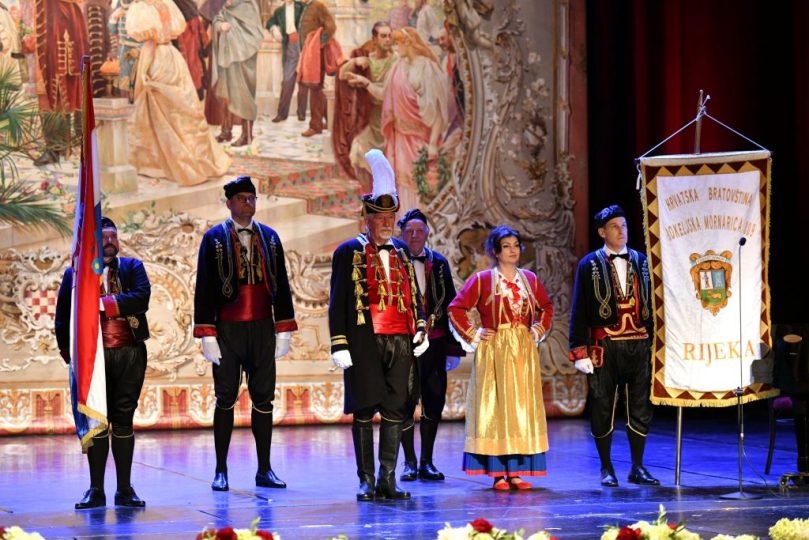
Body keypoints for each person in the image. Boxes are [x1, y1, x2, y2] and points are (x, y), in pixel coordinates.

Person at [328, 149, 430, 501]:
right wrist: (339, 343)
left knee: (395, 407)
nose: (387, 223)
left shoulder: (401, 250)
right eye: (380, 217)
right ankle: (366, 479)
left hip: (400, 340)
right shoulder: (348, 251)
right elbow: (338, 300)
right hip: (364, 341)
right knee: (363, 406)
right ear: (367, 219)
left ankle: (388, 478)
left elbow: (413, 293)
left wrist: (420, 327)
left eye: (391, 217)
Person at [193, 176, 298, 492]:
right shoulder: (213, 238)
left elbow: (281, 284)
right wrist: (207, 333)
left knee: (264, 398)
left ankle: (265, 469)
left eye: (251, 198)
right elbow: (204, 287)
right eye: (241, 198)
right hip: (228, 328)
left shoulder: (270, 237)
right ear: (229, 203)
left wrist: (283, 329)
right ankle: (221, 470)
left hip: (262, 327)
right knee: (225, 397)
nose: (247, 203)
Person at [54, 217, 151, 509]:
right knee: (96, 420)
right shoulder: (75, 274)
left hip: (129, 353)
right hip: (92, 358)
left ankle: (125, 489)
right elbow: (63, 315)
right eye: (103, 237)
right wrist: (68, 353)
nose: (109, 242)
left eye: (113, 237)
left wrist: (101, 304)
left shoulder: (133, 267)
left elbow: (141, 298)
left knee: (123, 420)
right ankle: (96, 490)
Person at [448, 225, 553, 490]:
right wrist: (474, 333)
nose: (513, 250)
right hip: (495, 348)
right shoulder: (483, 279)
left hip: (523, 351)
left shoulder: (529, 279)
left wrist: (537, 329)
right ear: (496, 251)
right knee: (496, 408)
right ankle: (497, 473)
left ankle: (515, 471)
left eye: (516, 245)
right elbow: (456, 308)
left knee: (520, 409)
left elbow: (546, 307)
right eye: (506, 246)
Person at [568, 204, 659, 487]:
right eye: (614, 227)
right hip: (605, 346)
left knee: (640, 406)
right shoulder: (589, 264)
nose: (621, 231)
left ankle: (638, 466)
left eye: (624, 226)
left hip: (639, 345)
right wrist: (579, 351)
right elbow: (579, 310)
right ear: (602, 232)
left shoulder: (642, 261)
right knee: (602, 405)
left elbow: (656, 305)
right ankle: (606, 467)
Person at [125, 0, 231, 186]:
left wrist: (143, 71)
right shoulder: (167, 4)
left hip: (156, 58)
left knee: (156, 105)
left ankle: (161, 163)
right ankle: (187, 158)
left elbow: (150, 43)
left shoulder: (141, 8)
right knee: (177, 110)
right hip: (173, 57)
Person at [397, 208, 463, 482]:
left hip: (434, 344)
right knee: (404, 403)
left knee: (433, 402)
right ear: (401, 234)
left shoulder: (440, 263)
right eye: (409, 231)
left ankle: (427, 461)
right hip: (404, 344)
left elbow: (451, 305)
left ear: (427, 233)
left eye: (419, 231)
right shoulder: (394, 261)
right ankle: (409, 463)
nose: (414, 236)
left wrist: (453, 348)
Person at [381, 27, 448, 212]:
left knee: (420, 184)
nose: (395, 48)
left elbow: (437, 109)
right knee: (401, 184)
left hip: (421, 139)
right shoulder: (398, 67)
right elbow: (387, 98)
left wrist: (433, 144)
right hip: (400, 138)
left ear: (408, 42)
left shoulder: (427, 68)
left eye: (397, 43)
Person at [338, 21, 397, 180]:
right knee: (357, 151)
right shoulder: (367, 59)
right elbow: (341, 75)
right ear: (374, 39)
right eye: (383, 36)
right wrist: (354, 62)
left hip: (390, 122)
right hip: (371, 120)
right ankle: (367, 190)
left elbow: (387, 94)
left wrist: (365, 83)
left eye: (389, 36)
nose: (388, 40)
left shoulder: (396, 62)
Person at [209, 0, 264, 146]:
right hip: (227, 55)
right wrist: (220, 25)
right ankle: (226, 131)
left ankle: (247, 135)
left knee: (244, 94)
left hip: (243, 57)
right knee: (225, 93)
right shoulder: (225, 5)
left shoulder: (248, 5)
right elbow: (218, 18)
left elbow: (254, 32)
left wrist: (234, 33)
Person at [297, 0, 335, 137]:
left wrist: (319, 43)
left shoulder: (318, 6)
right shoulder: (306, 7)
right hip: (309, 55)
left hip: (317, 55)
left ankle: (315, 125)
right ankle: (330, 121)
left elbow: (331, 27)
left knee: (315, 89)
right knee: (317, 89)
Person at [266, 0, 305, 123]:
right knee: (287, 80)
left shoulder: (301, 7)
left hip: (304, 46)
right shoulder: (279, 11)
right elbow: (269, 22)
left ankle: (302, 113)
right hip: (290, 46)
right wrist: (273, 28)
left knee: (304, 80)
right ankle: (282, 114)